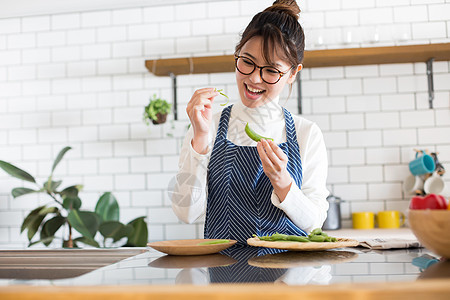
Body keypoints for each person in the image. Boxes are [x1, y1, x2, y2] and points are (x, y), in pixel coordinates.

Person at [171, 0, 329, 243]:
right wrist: (200, 140)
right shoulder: (207, 127)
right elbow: (186, 214)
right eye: (247, 61)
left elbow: (314, 222)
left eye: (271, 70)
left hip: (290, 276)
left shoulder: (306, 133)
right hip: (224, 274)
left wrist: (282, 182)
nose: (254, 78)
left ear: (292, 74)